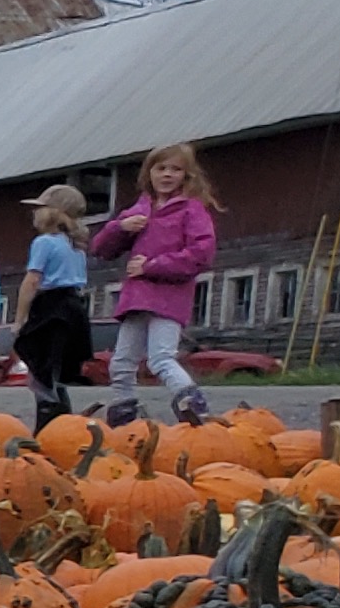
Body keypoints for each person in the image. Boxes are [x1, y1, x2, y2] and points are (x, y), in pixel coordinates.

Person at [90, 142, 220, 426]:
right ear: (149, 173)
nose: (167, 175)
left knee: (161, 358)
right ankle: (124, 413)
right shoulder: (139, 210)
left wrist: (152, 266)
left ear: (186, 176)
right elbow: (100, 249)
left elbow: (201, 254)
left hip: (168, 298)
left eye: (176, 169)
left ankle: (193, 404)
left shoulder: (191, 210)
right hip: (136, 299)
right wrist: (119, 228)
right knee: (122, 362)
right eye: (161, 168)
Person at [13, 184, 95, 425]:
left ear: (54, 212)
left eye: (40, 209)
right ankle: (62, 422)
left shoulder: (44, 242)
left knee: (40, 371)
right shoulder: (76, 246)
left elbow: (32, 280)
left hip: (49, 307)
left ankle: (47, 423)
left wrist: (20, 319)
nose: (35, 215)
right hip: (73, 307)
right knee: (56, 372)